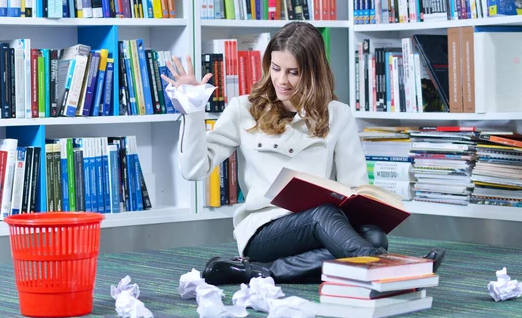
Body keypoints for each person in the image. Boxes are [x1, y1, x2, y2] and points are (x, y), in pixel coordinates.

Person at [162, 22, 445, 285]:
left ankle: (261, 272)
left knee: (374, 236)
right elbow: (193, 169)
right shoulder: (243, 108)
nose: (281, 80)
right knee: (323, 216)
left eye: (293, 72)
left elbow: (354, 187)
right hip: (265, 231)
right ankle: (392, 268)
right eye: (275, 68)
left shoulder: (338, 114)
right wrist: (193, 109)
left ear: (312, 72)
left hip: (321, 226)